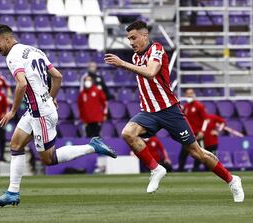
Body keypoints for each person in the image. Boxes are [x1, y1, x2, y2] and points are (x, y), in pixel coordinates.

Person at [104, 20, 244, 202]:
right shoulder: (136, 57)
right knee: (128, 133)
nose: (130, 42)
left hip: (169, 110)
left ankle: (232, 180)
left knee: (197, 152)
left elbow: (151, 72)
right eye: (128, 39)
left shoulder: (157, 49)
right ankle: (156, 168)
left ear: (145, 36)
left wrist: (122, 64)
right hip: (149, 112)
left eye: (133, 38)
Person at [0, 24, 117, 207]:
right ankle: (12, 193)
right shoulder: (35, 50)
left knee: (49, 159)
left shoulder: (13, 56)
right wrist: (51, 97)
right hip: (38, 108)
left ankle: (92, 147)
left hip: (40, 112)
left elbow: (22, 84)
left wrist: (13, 111)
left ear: (7, 39)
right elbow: (57, 76)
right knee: (16, 145)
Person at [178, 88, 207, 171]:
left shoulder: (199, 106)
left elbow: (206, 119)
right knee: (183, 153)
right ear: (185, 95)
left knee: (199, 153)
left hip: (198, 135)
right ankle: (180, 170)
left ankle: (195, 169)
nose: (189, 95)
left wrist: (202, 131)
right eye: (188, 93)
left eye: (191, 93)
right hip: (188, 134)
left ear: (194, 94)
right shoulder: (185, 106)